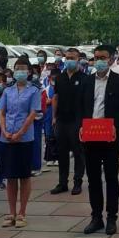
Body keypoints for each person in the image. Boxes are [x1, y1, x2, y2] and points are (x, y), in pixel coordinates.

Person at [78, 45, 119, 235]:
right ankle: (96, 217)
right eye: (97, 57)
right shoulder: (86, 81)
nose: (99, 61)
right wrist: (81, 126)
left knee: (111, 177)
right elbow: (80, 107)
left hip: (109, 136)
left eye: (103, 57)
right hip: (90, 135)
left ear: (111, 59)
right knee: (93, 178)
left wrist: (117, 125)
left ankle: (112, 217)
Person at [0, 55, 40, 228]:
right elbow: (2, 112)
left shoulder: (34, 91)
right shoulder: (7, 91)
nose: (19, 72)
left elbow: (32, 114)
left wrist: (20, 133)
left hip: (24, 138)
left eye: (23, 69)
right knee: (10, 176)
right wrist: (4, 131)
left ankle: (22, 212)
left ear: (29, 72)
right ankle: (11, 212)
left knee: (24, 176)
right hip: (7, 137)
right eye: (17, 69)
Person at [51, 47, 87, 195]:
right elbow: (56, 97)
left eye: (73, 58)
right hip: (61, 120)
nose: (70, 60)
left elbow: (87, 101)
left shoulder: (85, 78)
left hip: (77, 120)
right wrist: (54, 117)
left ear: (78, 60)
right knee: (62, 153)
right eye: (68, 58)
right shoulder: (60, 78)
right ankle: (62, 183)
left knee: (78, 152)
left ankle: (77, 182)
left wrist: (85, 121)